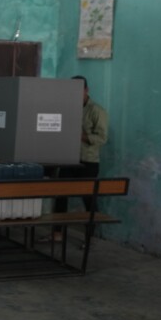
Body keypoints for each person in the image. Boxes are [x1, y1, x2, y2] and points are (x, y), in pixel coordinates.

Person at [49, 75, 109, 242]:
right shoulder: (68, 108)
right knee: (61, 195)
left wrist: (81, 136)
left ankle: (90, 237)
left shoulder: (97, 110)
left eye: (78, 90)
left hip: (88, 161)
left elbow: (102, 138)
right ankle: (57, 233)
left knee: (88, 198)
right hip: (68, 159)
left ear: (86, 90)